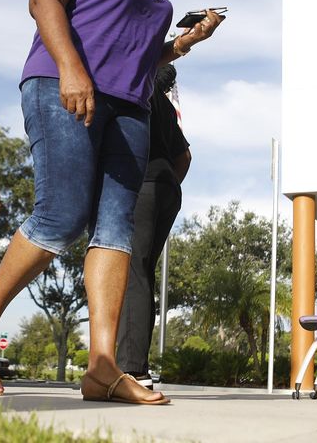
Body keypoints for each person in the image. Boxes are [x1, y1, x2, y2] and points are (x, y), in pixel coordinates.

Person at [0, 0, 223, 405]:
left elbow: (141, 52)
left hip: (130, 105)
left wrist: (185, 42)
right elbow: (45, 2)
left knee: (116, 229)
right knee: (62, 213)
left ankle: (103, 367)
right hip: (64, 85)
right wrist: (72, 69)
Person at [117, 64, 189, 390]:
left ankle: (132, 370)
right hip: (165, 187)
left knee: (132, 270)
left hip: (144, 183)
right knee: (141, 272)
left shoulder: (131, 84)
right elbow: (184, 156)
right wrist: (166, 183)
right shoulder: (163, 103)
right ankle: (133, 365)